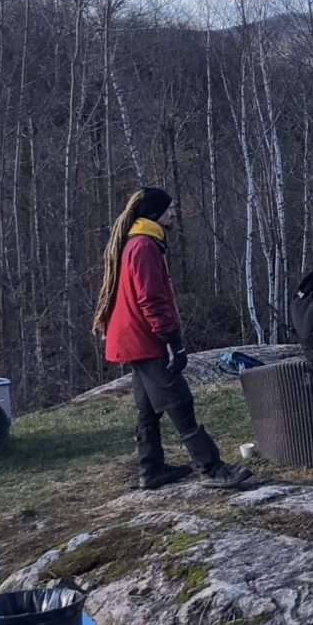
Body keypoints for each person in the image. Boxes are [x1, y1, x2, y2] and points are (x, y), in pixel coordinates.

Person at [93, 186, 251, 490]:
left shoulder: (134, 243)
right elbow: (151, 299)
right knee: (179, 402)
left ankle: (150, 470)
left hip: (131, 339)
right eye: (169, 209)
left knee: (148, 409)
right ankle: (212, 468)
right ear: (154, 214)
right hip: (145, 339)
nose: (174, 213)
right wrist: (171, 339)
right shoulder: (143, 246)